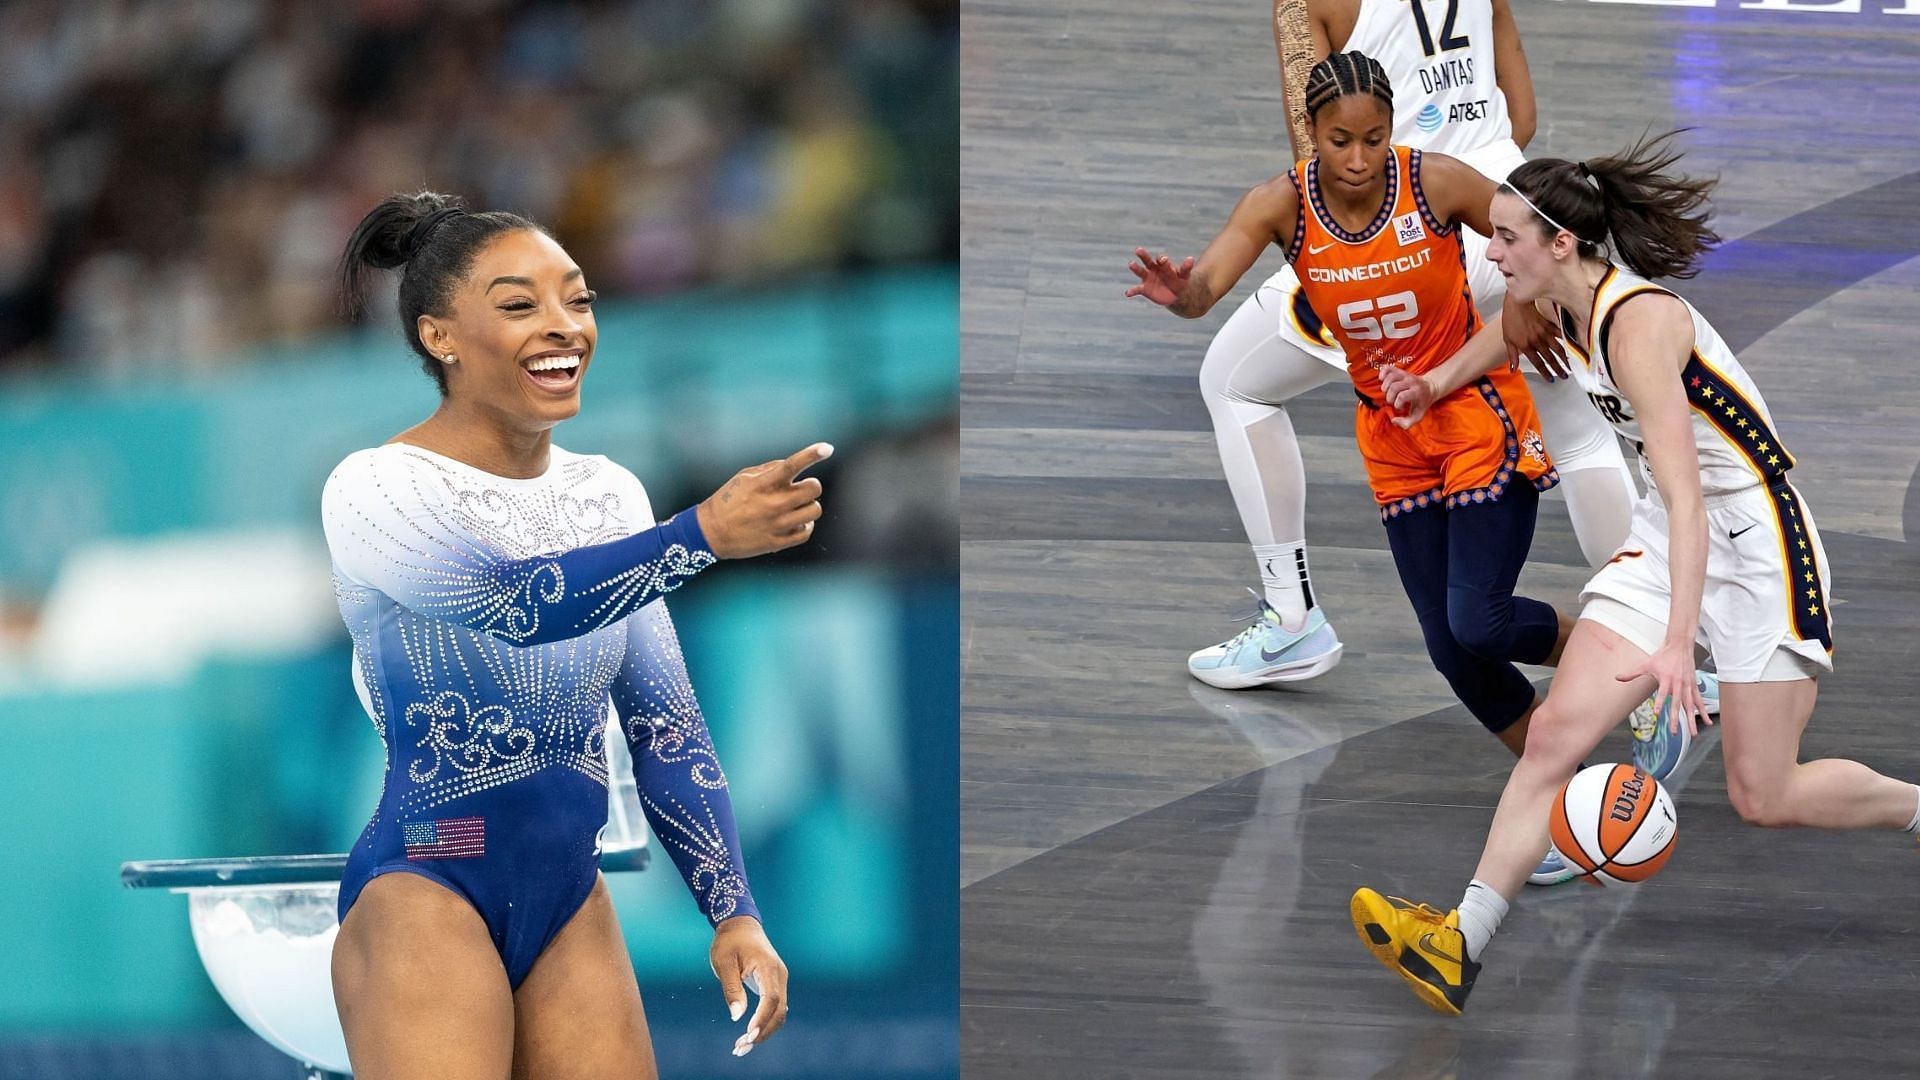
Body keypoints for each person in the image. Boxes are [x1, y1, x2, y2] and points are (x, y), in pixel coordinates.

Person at [1350, 131, 1920, 1016]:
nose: (1491, 252)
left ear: (1561, 243)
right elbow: (1507, 334)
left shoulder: (1640, 322)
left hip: (1755, 540)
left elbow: (1693, 500)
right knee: (1552, 739)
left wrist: (1673, 646)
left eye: (1504, 238)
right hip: (1669, 535)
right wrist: (1432, 384)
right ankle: (1458, 940)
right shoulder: (1552, 304)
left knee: (1763, 793)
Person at [323, 192, 816, 1077]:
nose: (563, 327)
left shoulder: (609, 496)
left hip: (566, 898)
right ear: (439, 336)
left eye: (578, 299)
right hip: (427, 883)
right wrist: (698, 534)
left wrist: (734, 909)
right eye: (519, 305)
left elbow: (664, 726)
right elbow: (518, 607)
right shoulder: (376, 488)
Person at [1191, 0, 1666, 715]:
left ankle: (1292, 620)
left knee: (1233, 383)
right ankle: (1655, 642)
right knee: (1580, 436)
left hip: (1406, 223)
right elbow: (1521, 111)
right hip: (1509, 213)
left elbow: (1313, 150)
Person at [1132, 51, 1574, 808]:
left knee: (1481, 620)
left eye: (1374, 137)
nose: (1360, 157)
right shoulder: (1280, 206)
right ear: (1312, 133)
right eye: (1341, 141)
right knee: (1452, 652)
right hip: (1392, 438)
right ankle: (1567, 794)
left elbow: (1534, 228)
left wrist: (1529, 297)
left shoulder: (1434, 181)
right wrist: (1180, 296)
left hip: (1474, 414)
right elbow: (1204, 292)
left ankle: (1632, 661)